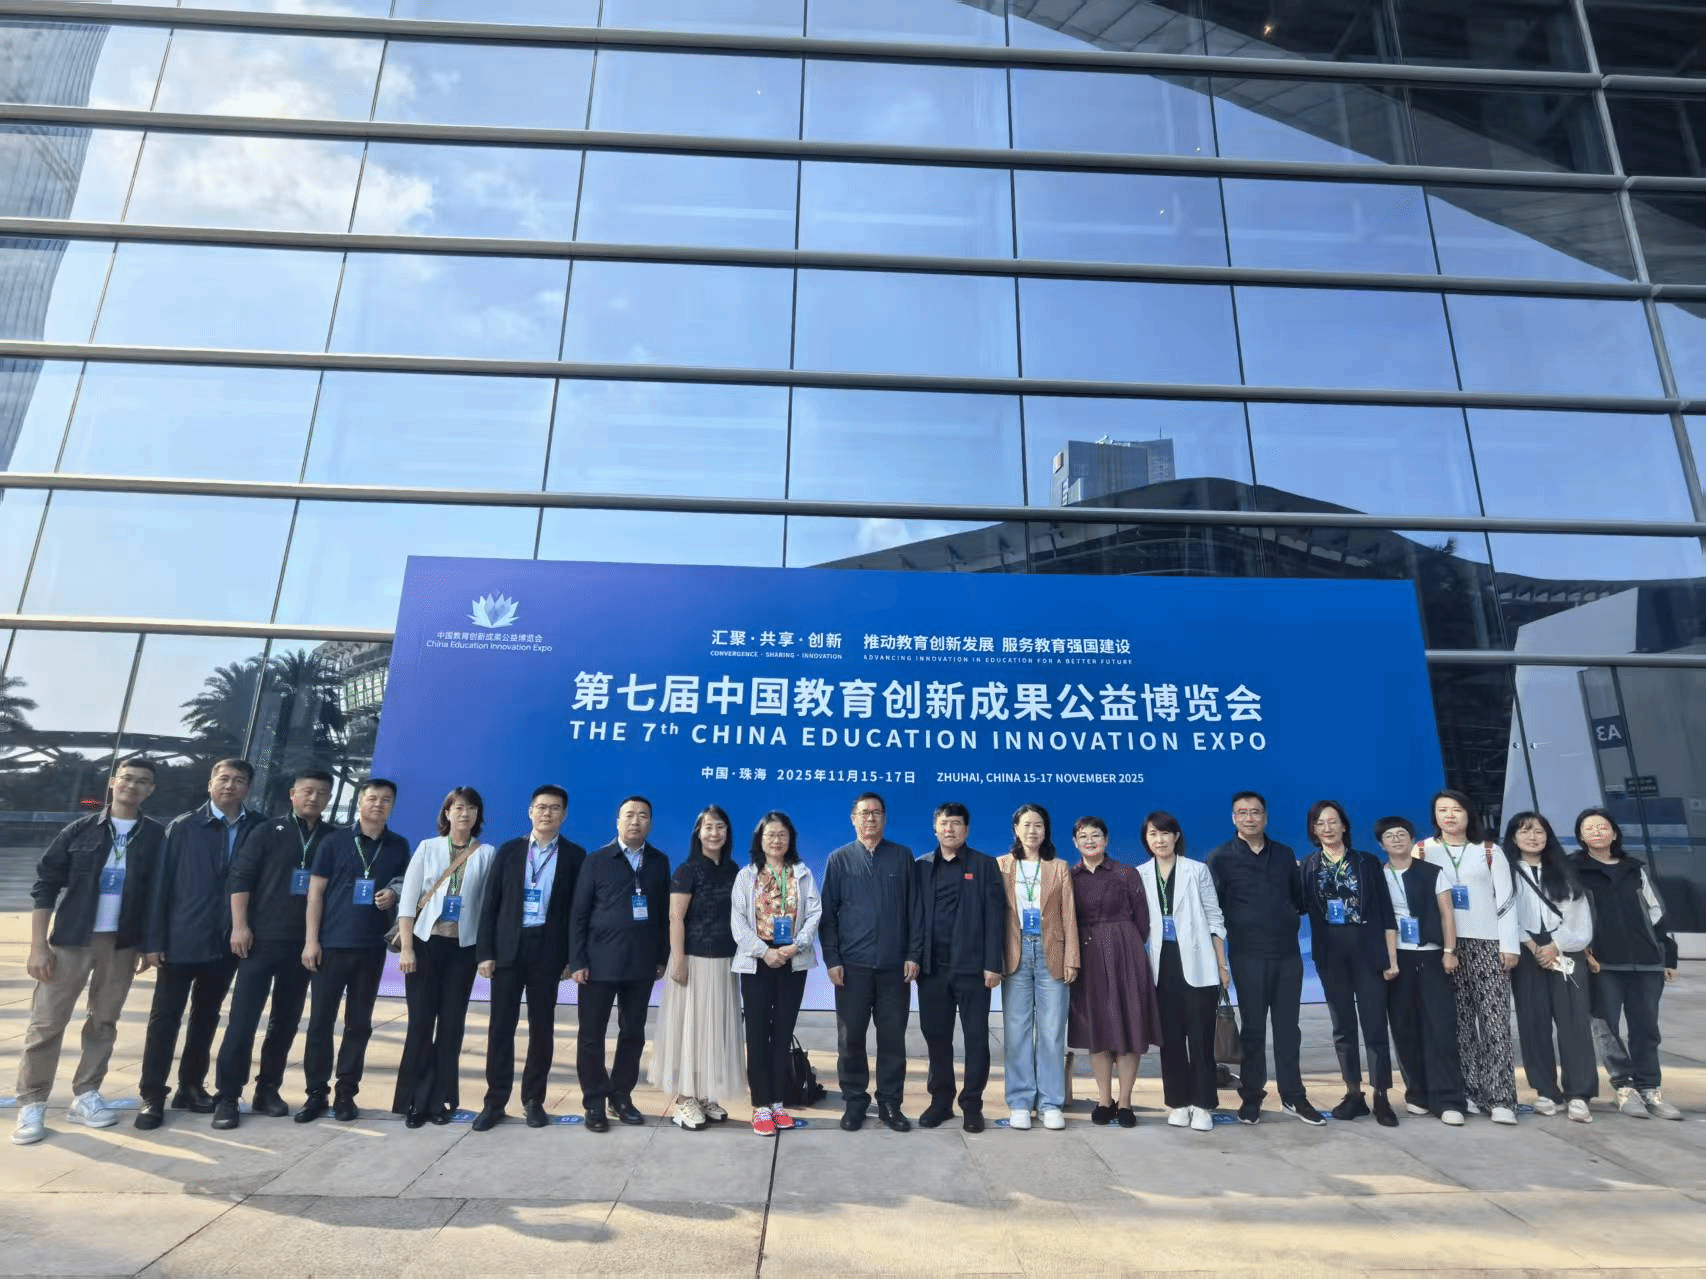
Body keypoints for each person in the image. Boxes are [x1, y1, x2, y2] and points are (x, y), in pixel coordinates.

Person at [12, 756, 163, 1146]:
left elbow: (158, 895)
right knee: (47, 1023)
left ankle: (86, 1094)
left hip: (121, 944)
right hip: (71, 941)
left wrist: (149, 944)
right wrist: (38, 946)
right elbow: (46, 885)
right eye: (126, 778)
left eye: (142, 781)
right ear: (113, 782)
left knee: (104, 1022)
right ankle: (32, 1102)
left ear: (150, 790)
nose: (132, 785)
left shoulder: (155, 837)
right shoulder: (79, 830)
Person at [136, 758, 264, 1131]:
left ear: (247, 788)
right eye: (223, 778)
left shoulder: (258, 828)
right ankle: (152, 1094)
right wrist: (153, 940)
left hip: (226, 942)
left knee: (206, 1017)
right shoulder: (183, 827)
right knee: (165, 1019)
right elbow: (160, 886)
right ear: (210, 784)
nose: (230, 785)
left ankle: (191, 1087)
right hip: (181, 939)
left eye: (238, 780)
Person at [212, 769, 336, 1130]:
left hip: (304, 945)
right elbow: (240, 879)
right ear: (292, 794)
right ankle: (228, 1095)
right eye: (307, 791)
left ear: (329, 799)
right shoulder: (267, 831)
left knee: (285, 1021)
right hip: (261, 941)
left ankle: (268, 1088)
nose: (314, 798)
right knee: (243, 1020)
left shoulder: (333, 838)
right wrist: (240, 926)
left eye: (322, 793)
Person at [1206, 791, 1324, 1125]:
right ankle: (1251, 1097)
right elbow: (1213, 911)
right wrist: (1220, 962)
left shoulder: (1284, 855)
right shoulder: (1220, 858)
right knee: (1254, 1030)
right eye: (1242, 812)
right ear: (1234, 818)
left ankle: (1294, 1097)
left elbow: (1298, 900)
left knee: (1288, 1030)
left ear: (1265, 817)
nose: (1249, 818)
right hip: (1247, 956)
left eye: (1255, 812)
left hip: (1287, 955)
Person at [473, 785, 585, 1131]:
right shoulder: (509, 851)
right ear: (530, 811)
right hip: (508, 949)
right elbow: (490, 904)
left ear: (564, 815)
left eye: (554, 808)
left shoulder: (575, 856)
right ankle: (494, 1101)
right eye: (541, 807)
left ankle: (533, 1100)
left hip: (548, 952)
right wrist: (485, 953)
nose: (547, 813)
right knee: (500, 1028)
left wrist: (572, 957)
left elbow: (576, 913)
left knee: (542, 1028)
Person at [297, 778, 409, 1123]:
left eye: (386, 800)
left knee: (359, 1024)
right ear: (360, 802)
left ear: (392, 806)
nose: (378, 804)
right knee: (320, 1023)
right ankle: (316, 1093)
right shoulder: (333, 841)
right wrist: (311, 941)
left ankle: (346, 1092)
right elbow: (315, 893)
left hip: (371, 948)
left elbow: (405, 885)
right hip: (330, 945)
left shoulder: (398, 845)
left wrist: (394, 894)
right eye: (372, 798)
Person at [1571, 807, 1683, 1121]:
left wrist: (1668, 956)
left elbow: (1657, 913)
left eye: (1602, 827)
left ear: (1614, 833)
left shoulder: (1635, 868)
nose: (1596, 832)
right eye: (1589, 828)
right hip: (1602, 961)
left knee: (1646, 1028)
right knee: (1606, 1027)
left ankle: (1650, 1088)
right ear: (1581, 836)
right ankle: (1624, 1087)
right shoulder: (1574, 868)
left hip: (1646, 961)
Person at [820, 791, 922, 1133]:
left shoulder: (902, 856)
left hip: (895, 967)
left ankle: (891, 1103)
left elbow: (915, 911)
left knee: (892, 1039)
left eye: (876, 812)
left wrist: (913, 954)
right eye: (864, 813)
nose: (870, 818)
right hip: (852, 968)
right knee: (850, 1039)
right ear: (853, 819)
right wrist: (832, 959)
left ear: (885, 818)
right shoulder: (839, 859)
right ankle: (854, 1101)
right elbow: (828, 916)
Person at [393, 787, 496, 1127]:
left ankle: (440, 1101)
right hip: (425, 946)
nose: (465, 814)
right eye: (459, 807)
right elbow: (408, 902)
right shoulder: (428, 847)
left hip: (463, 951)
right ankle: (414, 1102)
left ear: (478, 816)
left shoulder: (487, 854)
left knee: (451, 1027)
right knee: (421, 1024)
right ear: (447, 813)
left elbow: (488, 907)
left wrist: (486, 953)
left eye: (472, 809)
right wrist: (407, 948)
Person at [568, 795, 671, 1132]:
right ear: (617, 821)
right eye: (629, 815)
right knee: (591, 1036)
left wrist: (661, 957)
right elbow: (578, 915)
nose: (635, 821)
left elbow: (663, 915)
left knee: (633, 1033)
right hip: (598, 965)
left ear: (650, 823)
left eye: (643, 815)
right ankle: (594, 1101)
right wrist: (577, 961)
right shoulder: (597, 860)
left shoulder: (659, 861)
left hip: (641, 965)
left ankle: (621, 1096)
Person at [1419, 788, 1520, 1125]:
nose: (1449, 816)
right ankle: (1471, 1092)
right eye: (1442, 810)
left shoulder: (1488, 851)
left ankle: (1501, 1098)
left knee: (1494, 1022)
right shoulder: (1423, 850)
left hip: (1488, 943)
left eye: (1456, 809)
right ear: (1435, 816)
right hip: (1445, 946)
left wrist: (1509, 945)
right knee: (1458, 1023)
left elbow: (1506, 900)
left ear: (1468, 814)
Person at [1299, 800, 1399, 1127]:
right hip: (1331, 955)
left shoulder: (1367, 862)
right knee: (1342, 1027)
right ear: (1313, 830)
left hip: (1368, 952)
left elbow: (1385, 912)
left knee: (1374, 1024)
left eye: (1333, 821)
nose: (1327, 828)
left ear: (1344, 826)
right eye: (1320, 823)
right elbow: (1297, 905)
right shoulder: (1308, 866)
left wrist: (1390, 958)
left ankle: (1381, 1095)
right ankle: (1353, 1093)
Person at [650, 805, 744, 1131]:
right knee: (689, 1030)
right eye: (708, 827)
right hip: (693, 961)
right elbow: (675, 917)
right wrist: (677, 960)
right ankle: (684, 1100)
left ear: (727, 833)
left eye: (720, 827)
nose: (714, 833)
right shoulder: (687, 870)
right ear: (698, 833)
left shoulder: (733, 869)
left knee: (712, 1030)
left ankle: (703, 1095)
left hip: (725, 962)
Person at [912, 802, 1005, 1133]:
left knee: (976, 1038)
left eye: (955, 823)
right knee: (936, 1038)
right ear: (935, 828)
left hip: (973, 970)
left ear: (966, 829)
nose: (949, 829)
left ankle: (972, 1105)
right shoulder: (922, 866)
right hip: (932, 970)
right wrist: (913, 957)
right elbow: (914, 917)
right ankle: (941, 1102)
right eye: (943, 823)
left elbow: (995, 918)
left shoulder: (984, 865)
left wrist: (993, 964)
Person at [1135, 811, 1228, 1134]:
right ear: (1146, 840)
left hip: (1199, 963)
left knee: (1201, 1038)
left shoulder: (1196, 870)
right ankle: (1178, 1102)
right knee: (1170, 1039)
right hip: (1162, 965)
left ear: (1176, 836)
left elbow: (1214, 917)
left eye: (1165, 833)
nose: (1159, 840)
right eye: (1152, 834)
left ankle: (1203, 1104)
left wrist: (1222, 964)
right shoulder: (1140, 874)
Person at [731, 811, 822, 1137]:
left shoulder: (802, 873)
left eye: (782, 834)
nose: (776, 840)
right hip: (757, 961)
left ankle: (779, 1102)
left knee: (783, 1031)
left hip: (792, 960)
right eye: (770, 834)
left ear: (790, 839)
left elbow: (814, 913)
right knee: (757, 1034)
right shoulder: (746, 876)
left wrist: (795, 946)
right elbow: (738, 922)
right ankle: (760, 1105)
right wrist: (764, 951)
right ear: (760, 839)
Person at [1503, 812, 1596, 1123]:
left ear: (1548, 836)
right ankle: (1545, 1090)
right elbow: (1504, 913)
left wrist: (1556, 945)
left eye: (1539, 831)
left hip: (1566, 949)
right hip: (1526, 951)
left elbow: (1579, 915)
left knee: (1574, 1022)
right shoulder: (1505, 871)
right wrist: (1532, 946)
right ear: (1513, 837)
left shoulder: (1564, 869)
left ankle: (1579, 1093)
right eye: (1525, 831)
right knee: (1534, 1022)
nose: (1533, 837)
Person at [1069, 815, 1159, 1128]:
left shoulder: (1125, 873)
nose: (1090, 841)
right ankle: (1104, 1100)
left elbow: (1143, 920)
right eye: (1083, 836)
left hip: (1125, 955)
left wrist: (1126, 945)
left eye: (1095, 835)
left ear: (1106, 840)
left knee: (1130, 1027)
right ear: (1075, 842)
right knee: (1099, 1029)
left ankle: (1125, 1102)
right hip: (1088, 958)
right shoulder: (1070, 877)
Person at [1377, 816, 1467, 1126]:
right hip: (1397, 961)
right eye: (1390, 836)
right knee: (1404, 1028)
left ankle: (1448, 1099)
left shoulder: (1432, 872)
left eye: (1402, 834)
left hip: (1431, 957)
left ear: (1413, 840)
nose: (1396, 839)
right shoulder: (1379, 876)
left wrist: (1449, 951)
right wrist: (1388, 961)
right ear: (1381, 844)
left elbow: (1447, 914)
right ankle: (1417, 1094)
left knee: (1440, 1028)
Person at [999, 802, 1078, 1132]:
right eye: (1027, 825)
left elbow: (1069, 914)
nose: (1032, 831)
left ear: (1046, 831)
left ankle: (1050, 1103)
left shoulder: (1058, 867)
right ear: (1016, 829)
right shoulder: (1001, 866)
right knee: (1016, 1030)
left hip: (1051, 951)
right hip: (1015, 951)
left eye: (1039, 825)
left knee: (1051, 1030)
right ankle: (1019, 1101)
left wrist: (1072, 957)